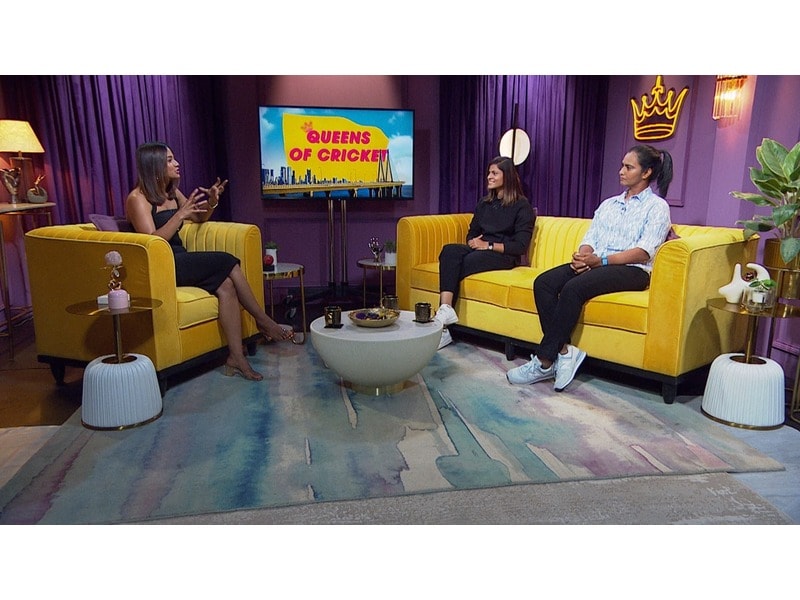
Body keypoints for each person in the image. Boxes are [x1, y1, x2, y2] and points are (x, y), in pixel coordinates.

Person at [507, 144, 673, 391]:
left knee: (573, 289)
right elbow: (591, 238)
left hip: (633, 270)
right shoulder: (609, 204)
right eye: (622, 165)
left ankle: (543, 361)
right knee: (544, 283)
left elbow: (644, 251)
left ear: (646, 172)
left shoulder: (657, 207)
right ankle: (564, 351)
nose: (621, 171)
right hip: (598, 264)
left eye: (629, 167)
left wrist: (602, 261)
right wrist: (583, 255)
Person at [126, 142, 293, 382]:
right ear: (154, 165)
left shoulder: (171, 193)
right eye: (170, 160)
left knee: (226, 286)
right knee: (227, 260)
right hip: (163, 264)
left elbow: (199, 216)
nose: (177, 163)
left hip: (180, 258)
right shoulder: (137, 198)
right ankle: (264, 321)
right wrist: (180, 215)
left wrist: (212, 201)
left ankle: (236, 358)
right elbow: (151, 241)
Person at [434, 156, 535, 349]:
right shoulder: (484, 203)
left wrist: (487, 245)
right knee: (449, 252)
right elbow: (472, 232)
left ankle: (442, 329)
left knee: (461, 264)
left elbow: (520, 246)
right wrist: (473, 242)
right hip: (482, 248)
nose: (489, 176)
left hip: (504, 255)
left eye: (494, 173)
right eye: (489, 173)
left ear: (508, 177)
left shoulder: (522, 206)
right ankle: (445, 310)